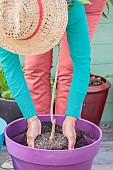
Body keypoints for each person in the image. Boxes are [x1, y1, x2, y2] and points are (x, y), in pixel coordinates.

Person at [0, 0, 91, 150]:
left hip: (74, 8)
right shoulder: (5, 19)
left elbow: (82, 64)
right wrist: (31, 118)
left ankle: (65, 130)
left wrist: (71, 118)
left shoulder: (71, 5)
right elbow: (11, 70)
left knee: (67, 68)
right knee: (35, 67)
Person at [24, 0, 106, 115]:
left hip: (89, 3)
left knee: (70, 69)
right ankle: (39, 126)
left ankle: (65, 127)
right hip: (42, 4)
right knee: (35, 67)